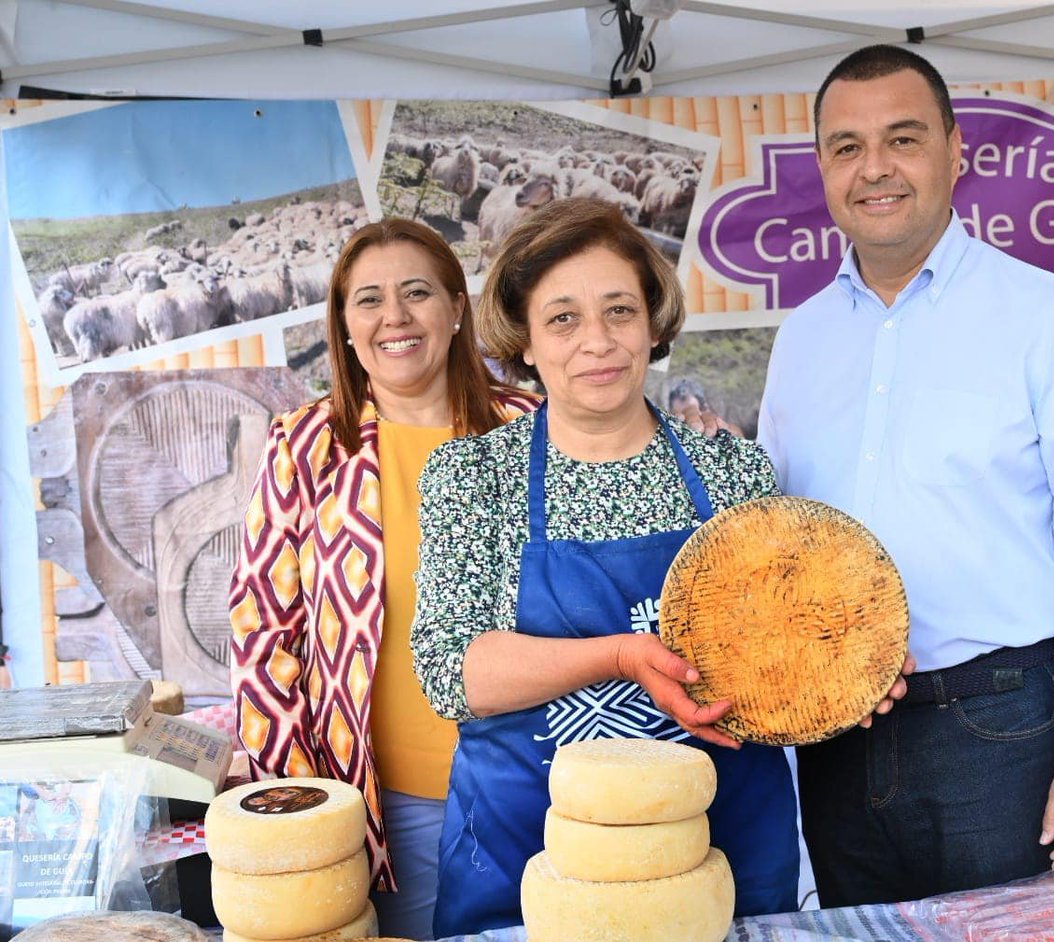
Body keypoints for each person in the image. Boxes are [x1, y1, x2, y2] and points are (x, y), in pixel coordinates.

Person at [410, 198, 911, 937]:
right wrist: (618, 656)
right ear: (524, 340)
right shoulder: (473, 477)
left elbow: (780, 659)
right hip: (533, 861)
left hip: (720, 856)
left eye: (619, 310)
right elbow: (455, 673)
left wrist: (840, 679)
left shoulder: (731, 472)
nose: (597, 342)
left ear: (652, 322)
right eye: (563, 319)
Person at [758, 44, 1054, 906]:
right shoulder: (802, 339)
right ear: (822, 167)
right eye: (846, 147)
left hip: (1003, 727)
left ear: (955, 150)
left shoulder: (1048, 316)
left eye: (902, 139)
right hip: (837, 730)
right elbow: (782, 544)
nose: (875, 169)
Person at [228, 218, 537, 940]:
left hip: (533, 778)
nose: (393, 316)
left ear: (457, 309)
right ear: (344, 323)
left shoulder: (532, 428)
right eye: (368, 299)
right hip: (386, 802)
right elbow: (261, 627)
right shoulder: (305, 445)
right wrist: (305, 800)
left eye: (416, 293)